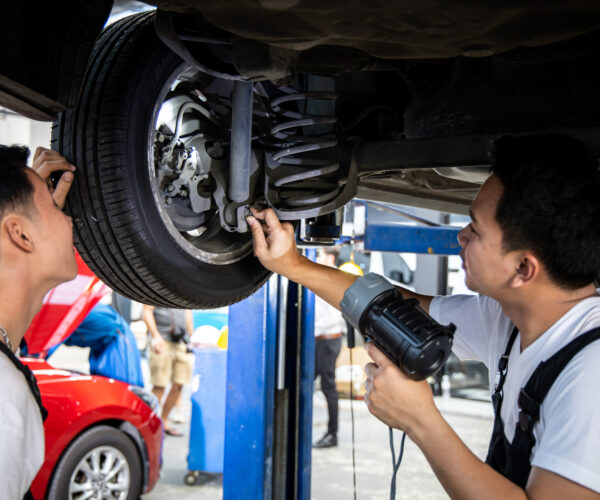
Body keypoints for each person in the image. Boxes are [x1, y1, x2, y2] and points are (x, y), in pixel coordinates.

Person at [246, 134, 600, 499]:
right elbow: (393, 307)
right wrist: (294, 266)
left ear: (523, 268)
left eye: (475, 229)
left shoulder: (592, 376)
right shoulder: (507, 319)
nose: (461, 236)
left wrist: (421, 420)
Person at [0, 145, 76, 499]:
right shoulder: (4, 396)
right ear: (21, 234)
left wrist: (39, 213)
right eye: (51, 204)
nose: (69, 219)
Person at [143, 305, 194, 436]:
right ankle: (147, 424)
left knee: (179, 384)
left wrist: (191, 337)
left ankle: (164, 421)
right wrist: (155, 336)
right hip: (162, 339)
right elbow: (147, 311)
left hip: (181, 341)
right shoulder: (157, 286)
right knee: (159, 385)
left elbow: (187, 312)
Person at [313, 247, 346, 449]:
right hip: (320, 340)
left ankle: (332, 434)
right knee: (306, 382)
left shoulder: (334, 279)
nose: (317, 258)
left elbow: (332, 317)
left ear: (330, 257)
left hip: (328, 340)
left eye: (320, 254)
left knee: (328, 387)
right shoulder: (323, 277)